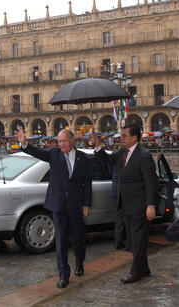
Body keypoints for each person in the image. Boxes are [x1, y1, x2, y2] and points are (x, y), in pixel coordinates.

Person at [15, 126, 92, 289]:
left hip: (76, 205)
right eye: (59, 141)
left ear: (72, 140)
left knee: (78, 238)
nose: (62, 144)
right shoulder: (54, 154)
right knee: (61, 239)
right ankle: (63, 274)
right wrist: (24, 143)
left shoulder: (83, 158)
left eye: (64, 141)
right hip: (58, 205)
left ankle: (80, 262)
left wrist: (87, 203)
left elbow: (87, 183)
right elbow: (37, 152)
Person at [91, 124, 158, 283]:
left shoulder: (144, 155)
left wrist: (151, 205)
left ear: (135, 137)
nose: (121, 138)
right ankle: (144, 269)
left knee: (137, 240)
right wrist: (98, 145)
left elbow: (151, 182)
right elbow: (108, 160)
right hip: (125, 205)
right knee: (134, 240)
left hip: (140, 206)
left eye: (124, 136)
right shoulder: (122, 151)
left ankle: (135, 272)